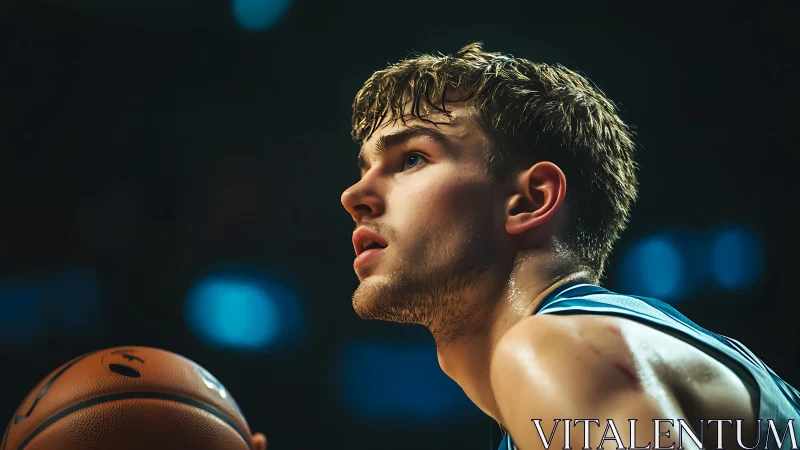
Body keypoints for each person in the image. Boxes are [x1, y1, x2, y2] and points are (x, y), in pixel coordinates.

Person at [340, 42, 799, 450]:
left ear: (529, 200)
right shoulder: (607, 347)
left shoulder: (558, 348)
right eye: (364, 168)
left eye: (412, 159)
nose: (354, 196)